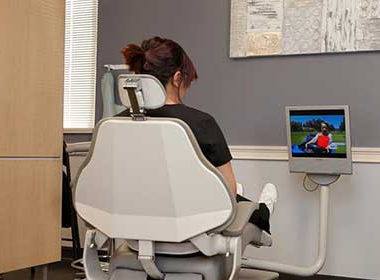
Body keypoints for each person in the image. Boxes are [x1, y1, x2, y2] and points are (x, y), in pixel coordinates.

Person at [117, 36, 276, 233]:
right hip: (193, 227)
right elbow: (229, 190)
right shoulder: (201, 123)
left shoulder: (116, 123)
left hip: (137, 226)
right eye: (187, 80)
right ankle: (264, 211)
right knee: (236, 196)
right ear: (177, 78)